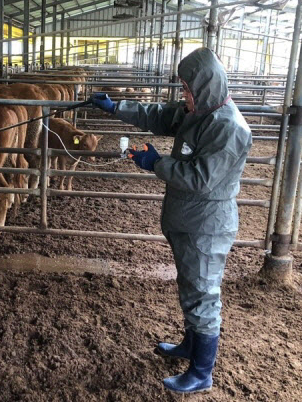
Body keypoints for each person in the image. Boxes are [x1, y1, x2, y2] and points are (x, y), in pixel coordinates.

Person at [91, 47, 252, 394]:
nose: (183, 96)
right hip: (188, 218)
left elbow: (199, 178)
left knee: (203, 293)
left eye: (186, 89)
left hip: (206, 225)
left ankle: (201, 372)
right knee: (191, 287)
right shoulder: (200, 111)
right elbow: (162, 116)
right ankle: (190, 346)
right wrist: (117, 107)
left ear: (204, 86)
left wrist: (156, 163)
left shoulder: (228, 128)